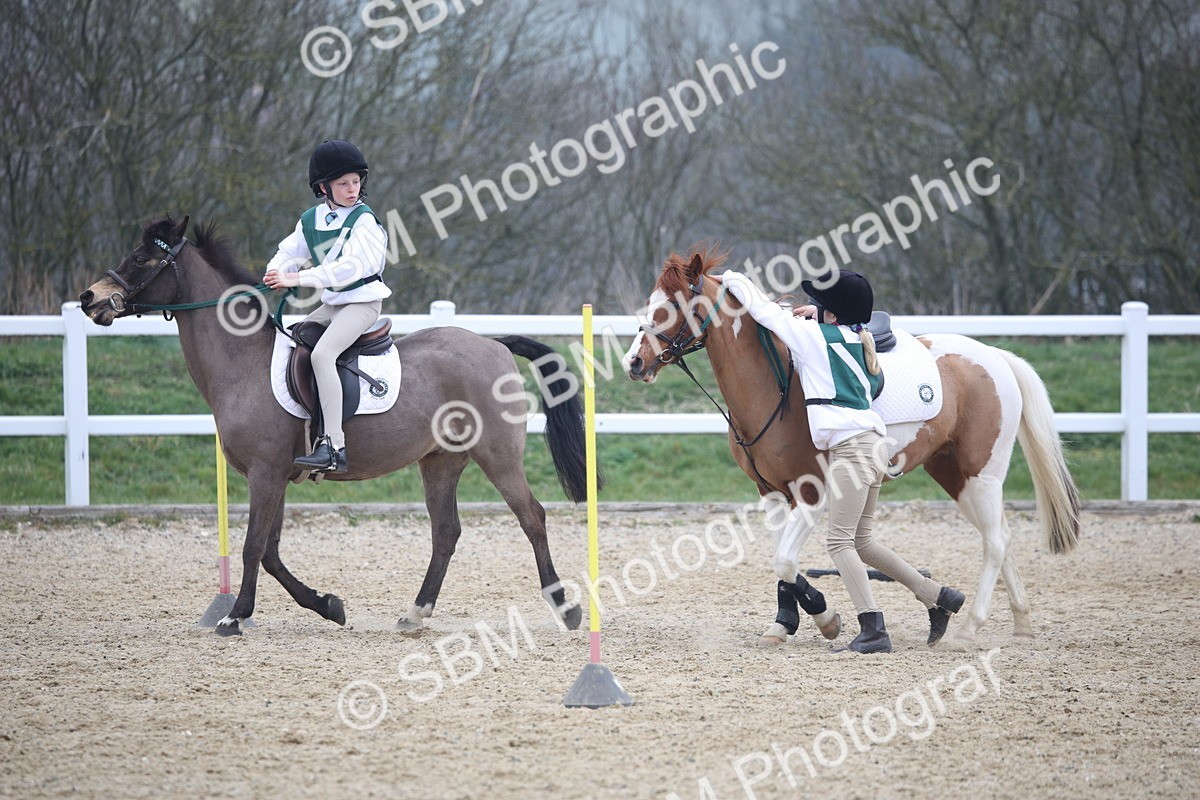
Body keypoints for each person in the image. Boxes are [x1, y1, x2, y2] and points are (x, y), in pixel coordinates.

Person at [713, 269, 965, 652]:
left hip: (851, 449)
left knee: (839, 542)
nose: (813, 308)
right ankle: (937, 596)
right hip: (875, 446)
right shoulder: (858, 340)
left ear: (830, 314)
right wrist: (819, 317)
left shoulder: (815, 340)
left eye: (819, 305)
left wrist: (732, 278)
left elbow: (766, 313)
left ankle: (873, 629)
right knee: (862, 541)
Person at [264, 140, 391, 473]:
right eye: (343, 184)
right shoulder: (312, 219)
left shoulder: (365, 222)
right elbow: (291, 251)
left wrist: (297, 279)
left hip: (362, 304)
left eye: (355, 181)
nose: (353, 190)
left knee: (322, 355)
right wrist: (276, 270)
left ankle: (334, 445)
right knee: (290, 339)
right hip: (333, 305)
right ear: (324, 188)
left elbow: (349, 269)